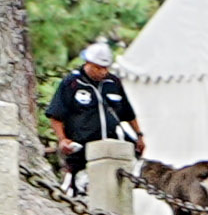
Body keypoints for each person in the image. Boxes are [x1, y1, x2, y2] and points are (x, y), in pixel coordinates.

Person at [44, 41, 140, 179]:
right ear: (88, 62)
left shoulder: (113, 83)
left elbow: (128, 113)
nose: (103, 72)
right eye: (98, 68)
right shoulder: (72, 83)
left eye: (106, 68)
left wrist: (139, 135)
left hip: (112, 147)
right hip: (82, 149)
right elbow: (56, 115)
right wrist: (63, 139)